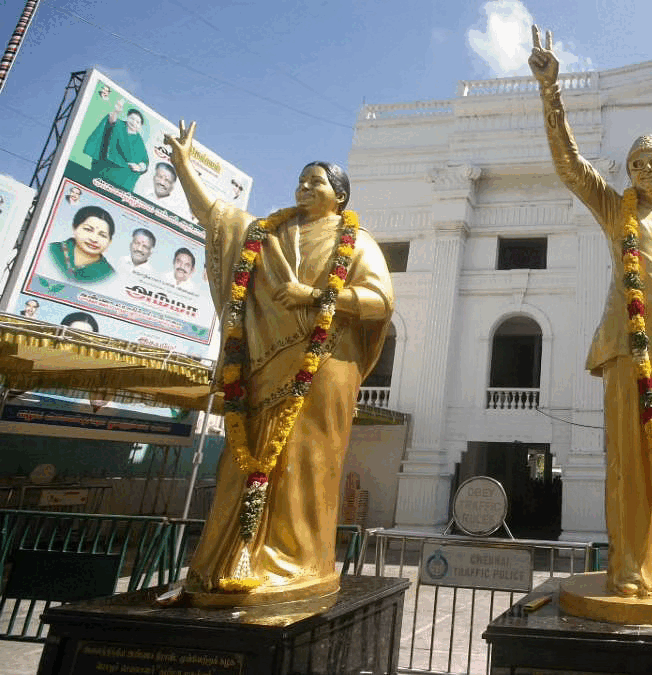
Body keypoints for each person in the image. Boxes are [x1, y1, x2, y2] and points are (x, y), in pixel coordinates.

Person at [529, 27, 652, 597]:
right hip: (627, 348)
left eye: (650, 162)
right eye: (634, 163)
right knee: (631, 463)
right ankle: (630, 567)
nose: (641, 170)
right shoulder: (617, 211)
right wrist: (550, 91)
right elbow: (571, 166)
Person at [167, 121, 393, 606]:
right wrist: (184, 166)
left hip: (325, 365)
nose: (304, 187)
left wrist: (315, 295)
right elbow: (214, 216)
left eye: (316, 181)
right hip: (262, 364)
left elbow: (379, 301)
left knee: (305, 464)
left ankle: (298, 563)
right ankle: (230, 560)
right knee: (241, 460)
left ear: (340, 196)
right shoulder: (266, 235)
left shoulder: (356, 241)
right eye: (301, 180)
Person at [82, 102, 149, 192]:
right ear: (127, 117)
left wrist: (139, 167)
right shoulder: (119, 125)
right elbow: (112, 121)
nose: (134, 123)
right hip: (106, 168)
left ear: (140, 126)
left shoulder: (139, 141)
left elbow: (145, 161)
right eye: (132, 119)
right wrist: (116, 111)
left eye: (137, 122)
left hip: (123, 179)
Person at [47, 206, 116, 283]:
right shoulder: (50, 250)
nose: (94, 239)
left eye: (102, 235)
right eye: (88, 229)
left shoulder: (109, 275)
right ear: (74, 228)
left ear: (110, 242)